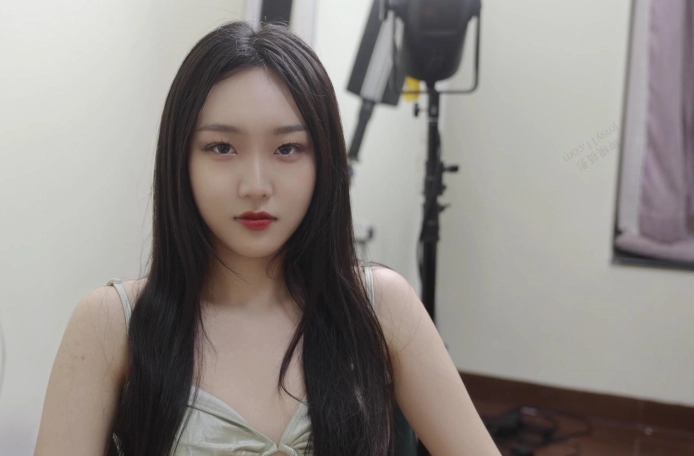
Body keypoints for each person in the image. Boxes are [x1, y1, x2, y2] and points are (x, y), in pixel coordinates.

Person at [33, 20, 499, 456]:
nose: (256, 185)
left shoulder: (381, 307)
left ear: (324, 161)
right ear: (181, 160)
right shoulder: (111, 324)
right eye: (222, 147)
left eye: (287, 148)